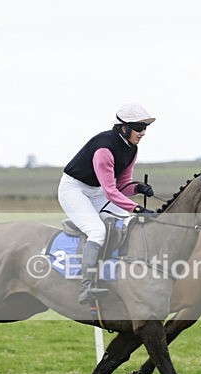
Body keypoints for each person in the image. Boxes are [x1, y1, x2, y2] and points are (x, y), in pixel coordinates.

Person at [58, 103, 157, 304]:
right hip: (74, 190)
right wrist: (138, 208)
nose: (143, 133)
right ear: (123, 127)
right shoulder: (104, 148)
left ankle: (115, 272)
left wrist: (137, 189)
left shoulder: (132, 149)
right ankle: (86, 286)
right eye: (138, 128)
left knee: (126, 221)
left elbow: (121, 185)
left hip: (97, 191)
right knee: (97, 231)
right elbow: (111, 192)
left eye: (145, 128)